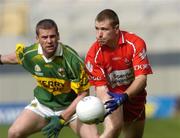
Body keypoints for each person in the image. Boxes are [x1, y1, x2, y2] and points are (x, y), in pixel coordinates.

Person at [0, 19, 99, 138]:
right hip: (43, 106)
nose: (49, 41)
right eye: (44, 37)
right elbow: (14, 58)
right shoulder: (31, 54)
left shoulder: (71, 60)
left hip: (72, 107)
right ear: (37, 38)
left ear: (58, 36)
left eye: (52, 36)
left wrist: (62, 118)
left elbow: (83, 93)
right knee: (13, 133)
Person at [85, 9, 153, 138]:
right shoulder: (93, 53)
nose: (99, 34)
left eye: (104, 29)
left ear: (116, 29)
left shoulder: (135, 43)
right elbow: (100, 87)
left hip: (134, 97)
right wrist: (105, 105)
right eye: (97, 29)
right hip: (111, 96)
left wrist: (124, 96)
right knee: (114, 127)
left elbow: (141, 79)